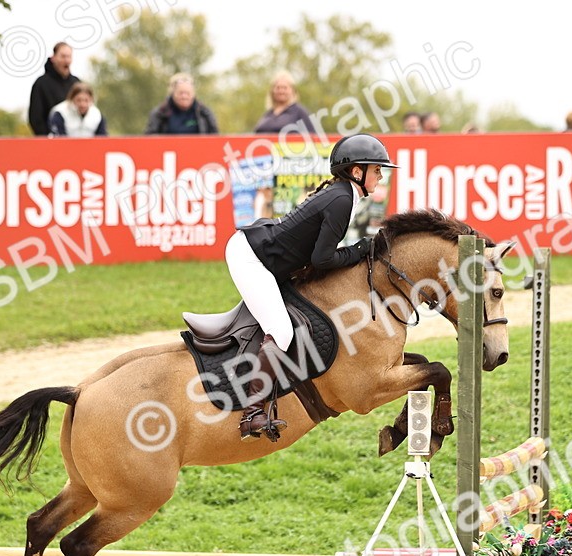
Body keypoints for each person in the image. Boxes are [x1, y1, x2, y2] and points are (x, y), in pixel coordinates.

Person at [227, 133, 397, 440]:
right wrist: (359, 250)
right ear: (356, 172)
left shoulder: (345, 194)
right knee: (281, 330)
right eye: (376, 169)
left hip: (261, 252)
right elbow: (322, 259)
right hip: (251, 258)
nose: (381, 175)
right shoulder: (343, 199)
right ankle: (252, 413)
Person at [28, 43, 80, 136]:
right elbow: (36, 117)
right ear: (53, 58)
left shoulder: (77, 83)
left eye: (69, 57)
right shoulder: (41, 84)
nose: (66, 60)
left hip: (75, 140)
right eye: (63, 56)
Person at [144, 73, 219, 134]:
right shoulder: (159, 113)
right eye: (180, 93)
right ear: (172, 93)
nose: (184, 96)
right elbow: (149, 140)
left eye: (187, 93)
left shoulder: (205, 113)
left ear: (193, 94)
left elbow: (215, 139)